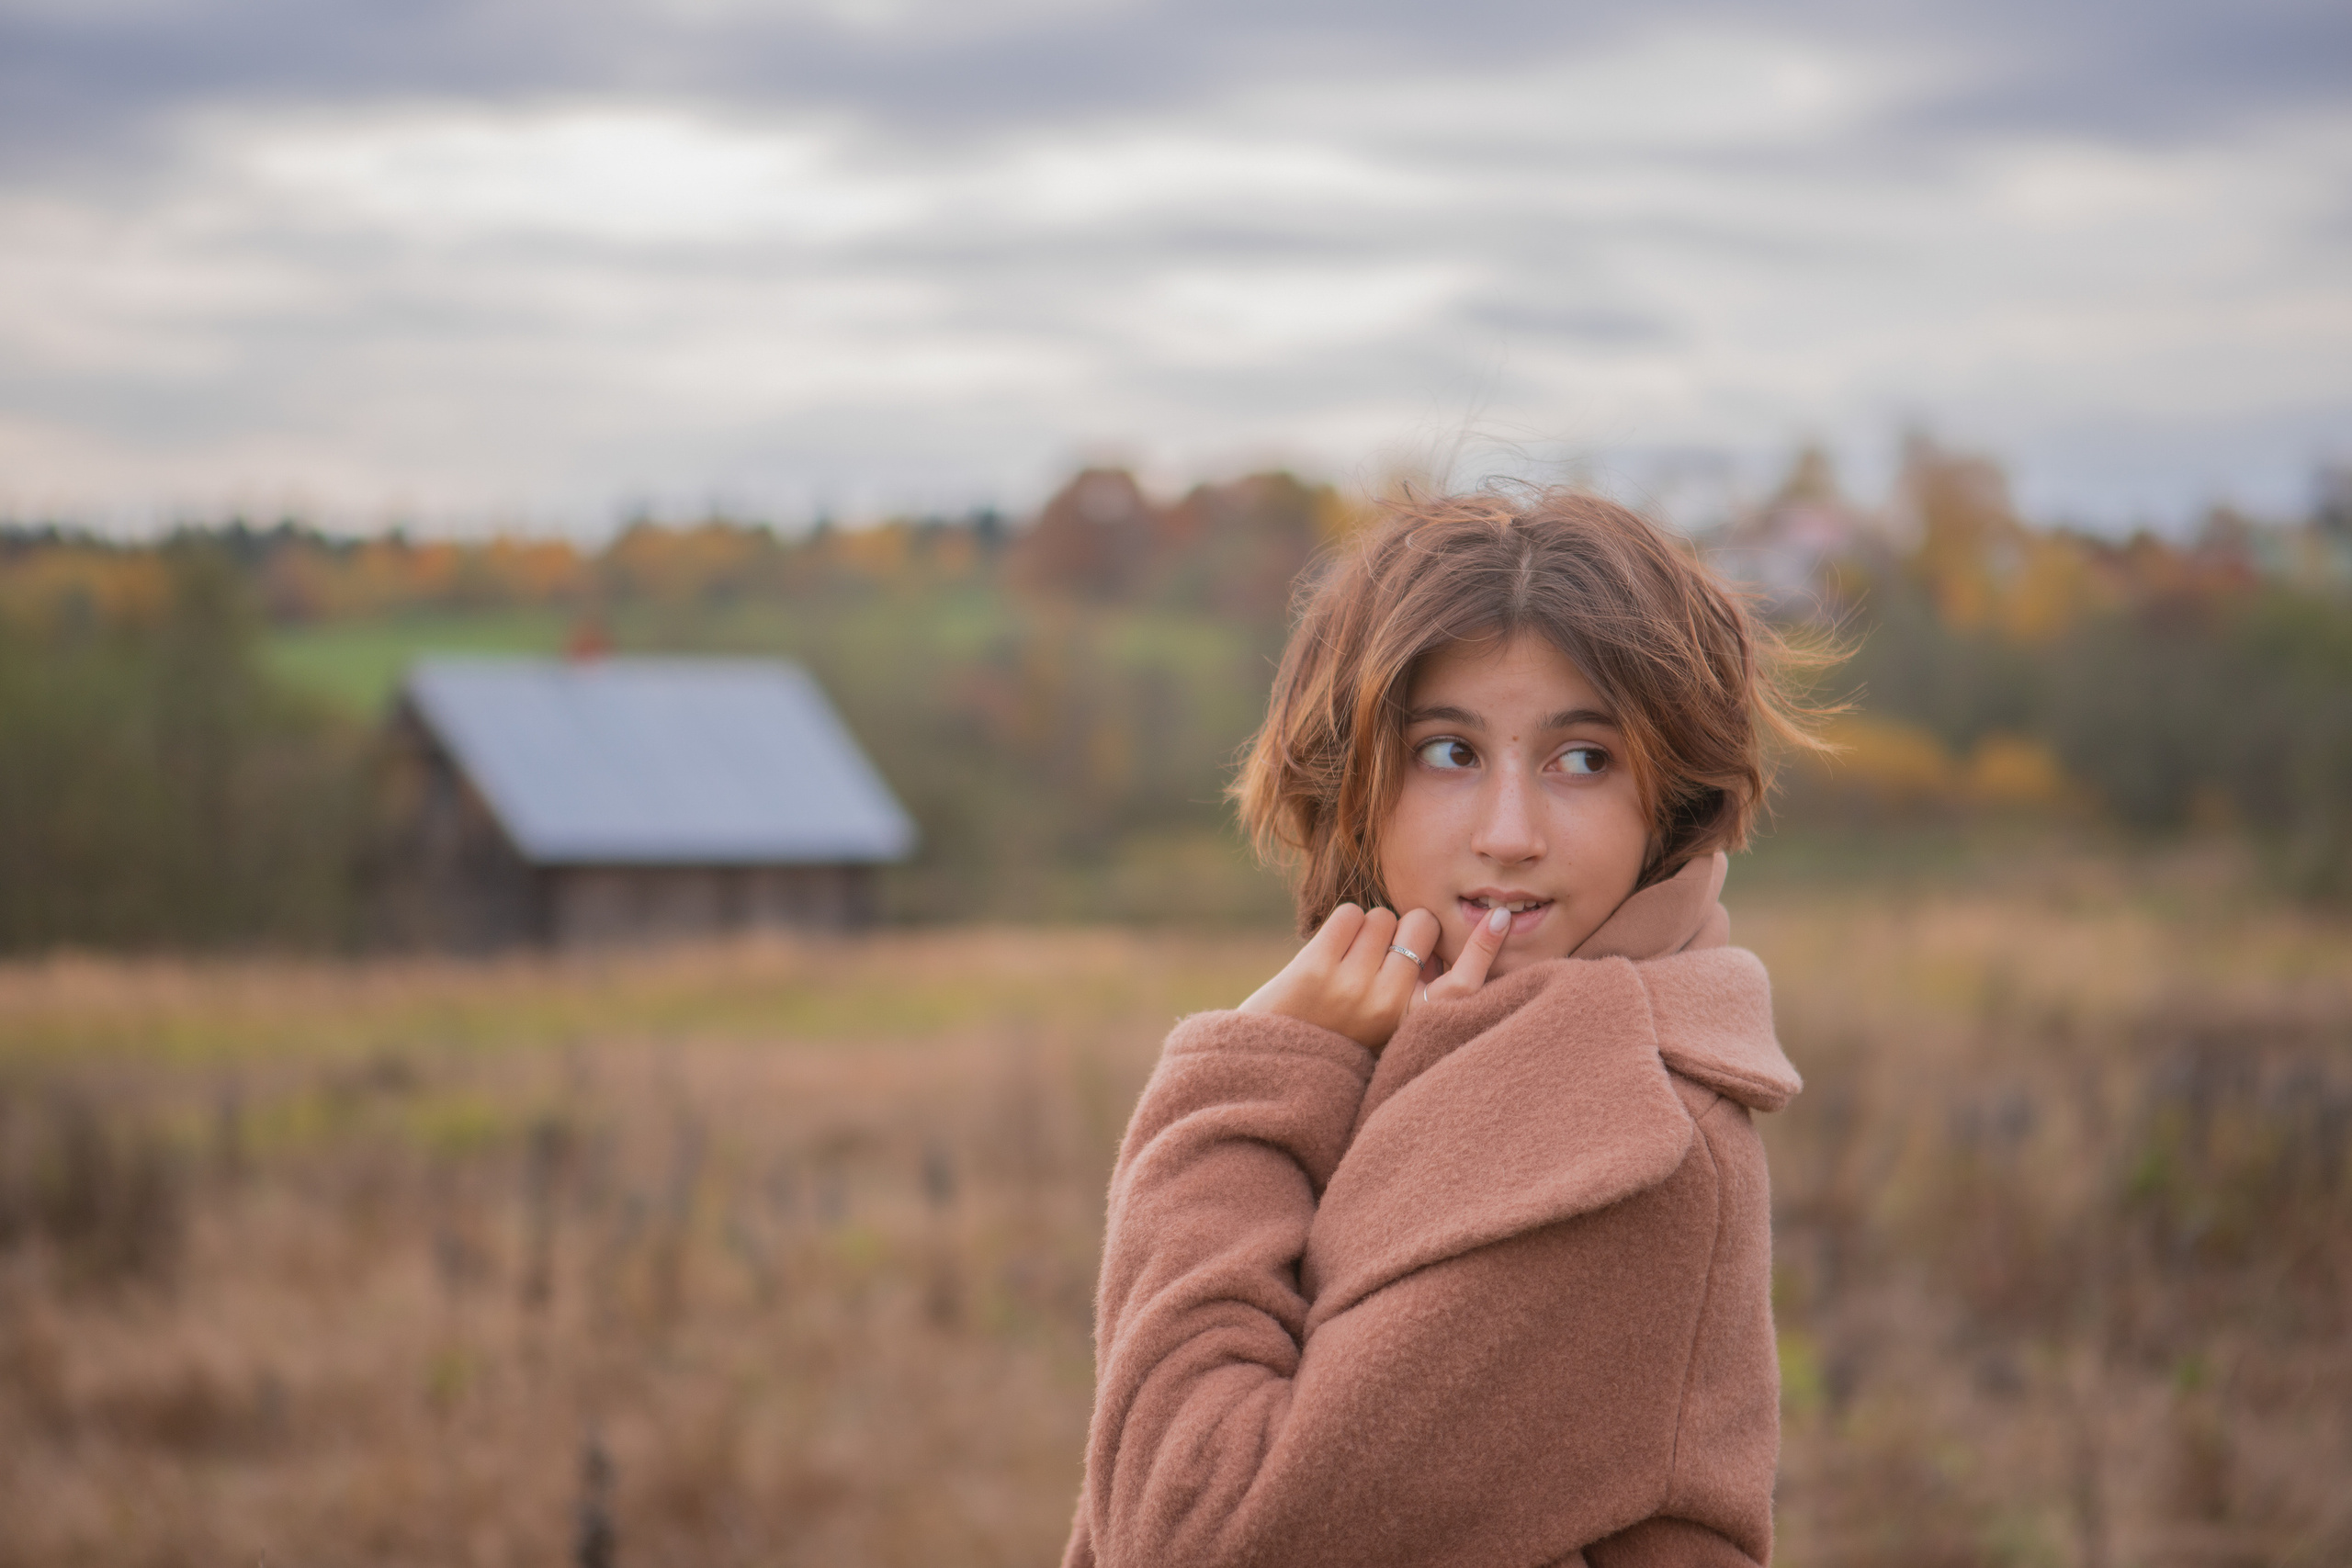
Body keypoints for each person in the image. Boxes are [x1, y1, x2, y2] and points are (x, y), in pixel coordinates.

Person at [1061, 485, 1831, 1568]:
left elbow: (1194, 1533)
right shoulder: (1462, 1043)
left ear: (1669, 803)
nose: (1508, 834)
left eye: (1582, 760)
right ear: (1355, 784)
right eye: (1448, 752)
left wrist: (1241, 1088)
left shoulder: (1627, 1140)